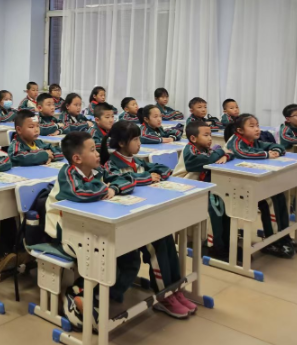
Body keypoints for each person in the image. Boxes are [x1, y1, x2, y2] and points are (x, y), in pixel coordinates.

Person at [44, 131, 139, 330]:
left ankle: (94, 296)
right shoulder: (68, 173)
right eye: (93, 150)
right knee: (105, 254)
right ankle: (78, 295)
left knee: (131, 256)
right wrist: (105, 188)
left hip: (92, 225)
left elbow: (129, 179)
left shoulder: (97, 170)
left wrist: (114, 188)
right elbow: (80, 193)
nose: (98, 154)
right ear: (77, 159)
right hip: (65, 229)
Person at [101, 121, 195, 318]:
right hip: (126, 223)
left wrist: (151, 175)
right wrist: (147, 177)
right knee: (157, 245)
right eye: (135, 139)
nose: (139, 143)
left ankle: (174, 289)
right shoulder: (111, 164)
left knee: (167, 240)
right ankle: (163, 296)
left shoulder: (136, 162)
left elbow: (163, 169)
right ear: (121, 143)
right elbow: (120, 182)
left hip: (143, 214)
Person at [225, 114, 295, 258]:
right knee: (269, 201)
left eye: (257, 125)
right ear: (240, 130)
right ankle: (272, 239)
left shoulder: (254, 141)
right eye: (252, 126)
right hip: (234, 186)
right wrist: (266, 154)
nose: (257, 129)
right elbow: (242, 153)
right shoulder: (235, 141)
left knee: (279, 196)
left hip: (250, 182)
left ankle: (282, 235)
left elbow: (276, 146)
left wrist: (276, 151)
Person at [182, 121, 233, 261]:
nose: (210, 138)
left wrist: (225, 155)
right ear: (193, 138)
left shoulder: (205, 149)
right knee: (214, 208)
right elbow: (208, 160)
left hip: (201, 187)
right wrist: (221, 151)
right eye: (206, 135)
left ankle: (226, 244)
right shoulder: (190, 150)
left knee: (225, 204)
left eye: (210, 135)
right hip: (185, 188)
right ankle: (215, 246)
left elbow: (229, 154)